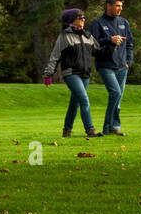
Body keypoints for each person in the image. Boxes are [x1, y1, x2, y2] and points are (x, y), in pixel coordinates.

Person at [43, 8, 103, 138]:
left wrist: (112, 43)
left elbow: (99, 52)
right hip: (71, 73)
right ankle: (90, 129)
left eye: (84, 17)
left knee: (75, 103)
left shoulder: (88, 36)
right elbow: (55, 56)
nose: (83, 20)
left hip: (85, 74)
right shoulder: (64, 36)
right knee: (84, 100)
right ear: (72, 20)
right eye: (80, 17)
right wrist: (48, 74)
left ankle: (67, 130)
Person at [89, 0, 133, 136]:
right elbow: (92, 44)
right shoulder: (97, 23)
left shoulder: (124, 23)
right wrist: (110, 39)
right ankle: (107, 128)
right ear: (108, 6)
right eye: (117, 6)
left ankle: (115, 127)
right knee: (115, 93)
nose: (120, 9)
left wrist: (128, 62)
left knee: (117, 99)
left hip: (122, 66)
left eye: (121, 6)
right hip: (105, 65)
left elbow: (130, 44)